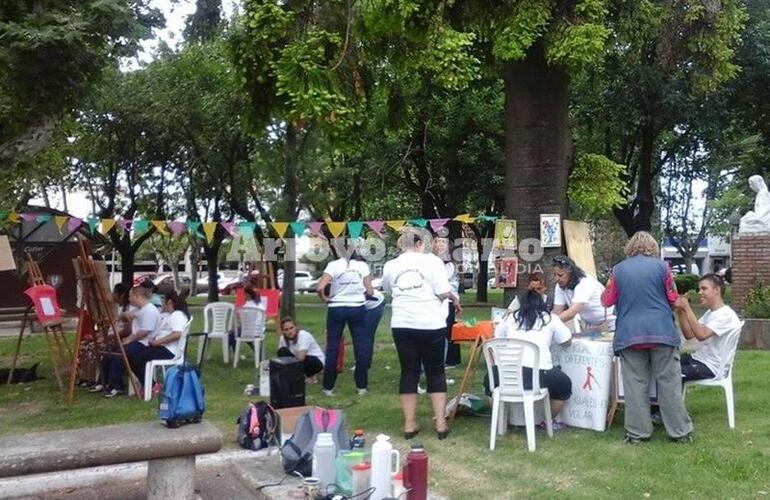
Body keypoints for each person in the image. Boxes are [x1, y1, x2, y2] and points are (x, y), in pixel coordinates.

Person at [601, 231, 693, 444]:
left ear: (630, 248)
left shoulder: (618, 270)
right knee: (669, 383)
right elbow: (673, 298)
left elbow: (607, 300)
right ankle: (680, 432)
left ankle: (638, 433)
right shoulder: (663, 267)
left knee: (635, 385)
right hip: (662, 332)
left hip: (629, 334)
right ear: (652, 247)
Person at [382, 227, 461, 440]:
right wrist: (453, 298)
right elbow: (442, 291)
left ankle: (409, 424)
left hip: (402, 323)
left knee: (409, 371)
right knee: (436, 372)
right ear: (419, 244)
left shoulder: (391, 265)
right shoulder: (433, 262)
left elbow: (389, 289)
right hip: (430, 322)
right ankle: (441, 423)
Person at [487, 290, 573, 427]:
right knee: (564, 385)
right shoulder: (550, 319)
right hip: (538, 374)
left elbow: (497, 339)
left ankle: (501, 420)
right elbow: (567, 341)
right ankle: (547, 421)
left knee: (489, 383)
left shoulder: (510, 318)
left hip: (506, 373)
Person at [316, 251, 375, 395]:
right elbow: (370, 291)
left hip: (336, 307)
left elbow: (319, 287)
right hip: (357, 307)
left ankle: (328, 387)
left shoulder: (333, 265)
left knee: (333, 347)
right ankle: (361, 387)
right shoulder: (362, 266)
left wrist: (324, 298)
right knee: (361, 347)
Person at [94, 285, 161, 397]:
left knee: (120, 353)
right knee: (110, 351)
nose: (129, 299)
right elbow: (128, 314)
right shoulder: (140, 309)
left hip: (144, 343)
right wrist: (118, 317)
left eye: (130, 296)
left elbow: (144, 332)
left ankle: (117, 386)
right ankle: (104, 382)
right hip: (137, 341)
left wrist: (129, 339)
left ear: (137, 296)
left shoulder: (150, 310)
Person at [674, 274, 742, 381]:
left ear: (717, 290)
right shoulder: (710, 313)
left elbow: (701, 335)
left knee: (670, 374)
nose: (699, 292)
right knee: (665, 365)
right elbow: (690, 335)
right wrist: (681, 312)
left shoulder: (726, 315)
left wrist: (687, 308)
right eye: (699, 289)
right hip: (698, 359)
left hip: (711, 367)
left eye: (704, 289)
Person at [128, 290, 189, 389]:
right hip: (162, 347)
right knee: (133, 355)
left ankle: (151, 386)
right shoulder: (168, 315)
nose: (162, 303)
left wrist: (157, 342)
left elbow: (177, 334)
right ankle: (149, 384)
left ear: (169, 302)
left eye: (163, 300)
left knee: (136, 358)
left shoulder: (177, 315)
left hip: (169, 350)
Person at [552, 255, 615, 333]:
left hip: (610, 323)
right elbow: (556, 311)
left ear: (570, 273)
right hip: (590, 325)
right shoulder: (560, 286)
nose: (557, 279)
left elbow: (571, 313)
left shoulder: (584, 283)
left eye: (560, 275)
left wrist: (550, 324)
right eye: (554, 275)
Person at [432, 237, 461, 367]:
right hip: (440, 300)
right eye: (437, 242)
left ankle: (450, 359)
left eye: (443, 243)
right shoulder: (433, 262)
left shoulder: (449, 265)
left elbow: (442, 282)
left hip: (448, 300)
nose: (439, 245)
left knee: (448, 329)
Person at [277, 317, 325, 382]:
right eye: (286, 329)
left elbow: (301, 358)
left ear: (295, 327)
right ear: (283, 331)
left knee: (308, 360)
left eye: (291, 328)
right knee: (282, 351)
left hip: (315, 360)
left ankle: (308, 375)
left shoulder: (303, 335)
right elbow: (281, 358)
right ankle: (298, 375)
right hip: (297, 361)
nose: (290, 331)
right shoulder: (282, 338)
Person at [229, 286, 268, 354]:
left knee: (231, 334)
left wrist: (236, 313)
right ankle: (257, 350)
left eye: (244, 294)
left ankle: (234, 354)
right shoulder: (261, 305)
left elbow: (242, 322)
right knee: (242, 332)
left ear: (247, 295)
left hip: (248, 331)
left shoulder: (246, 307)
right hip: (260, 331)